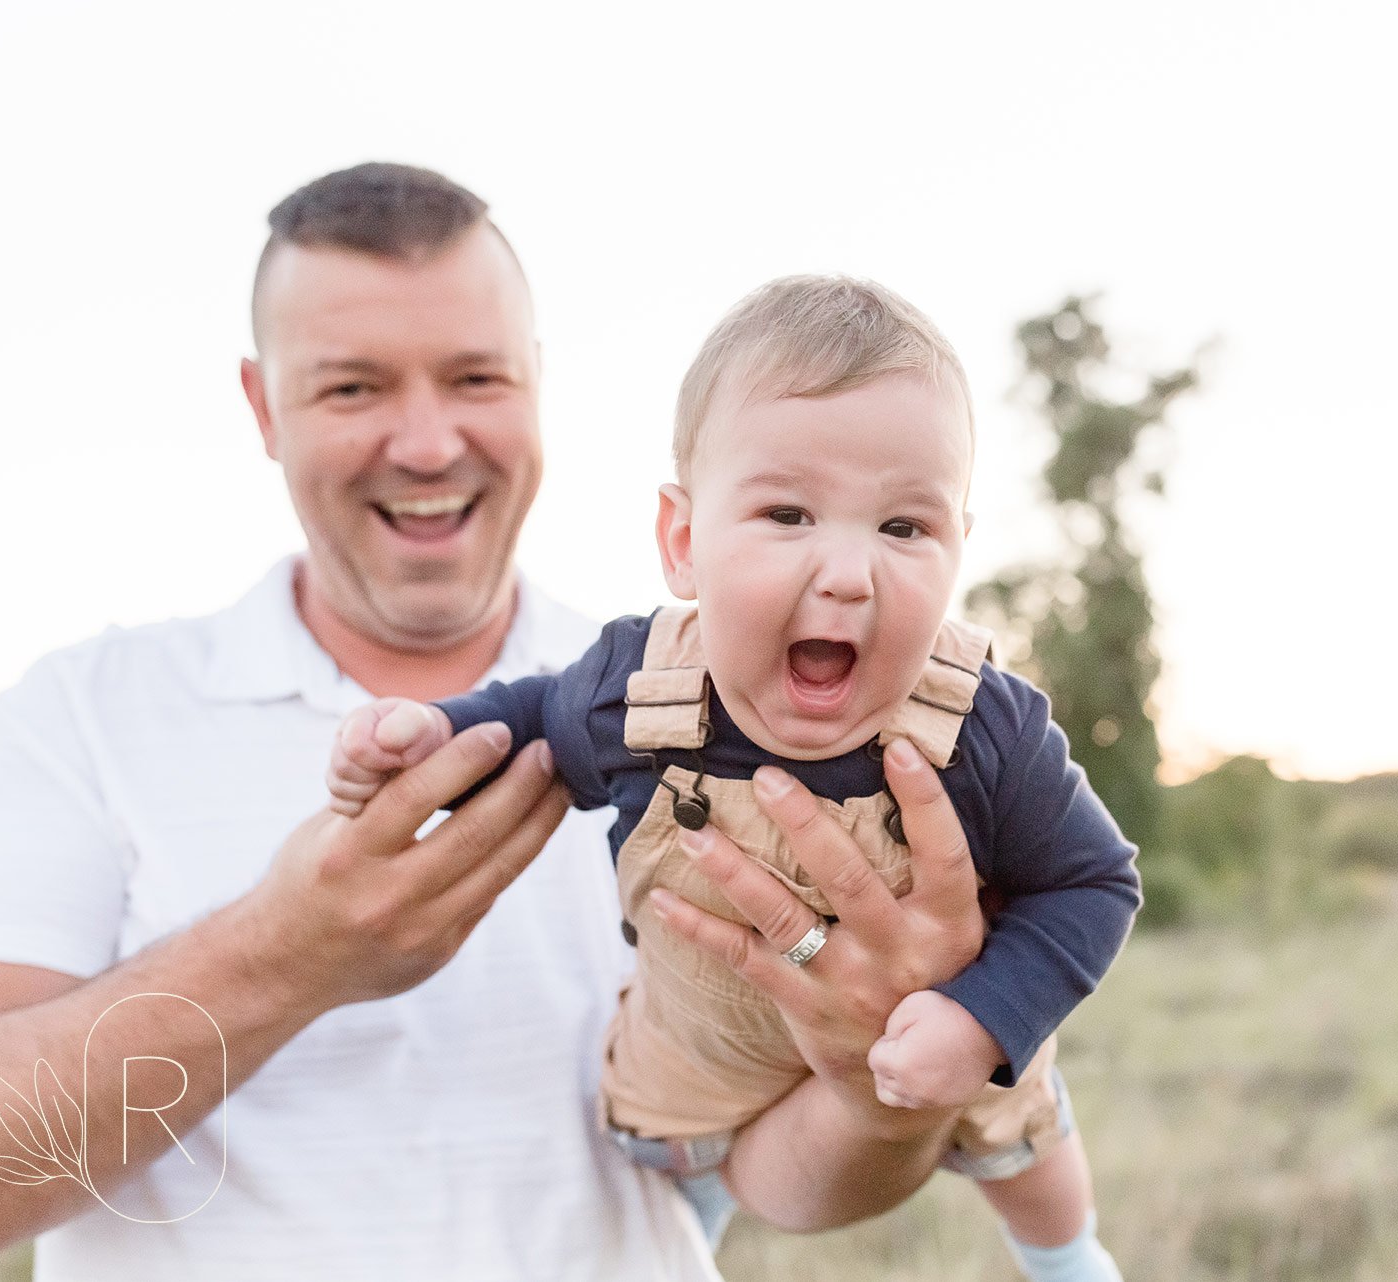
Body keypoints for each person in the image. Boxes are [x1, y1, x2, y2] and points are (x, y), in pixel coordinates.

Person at [0, 164, 988, 1280]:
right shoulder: (82, 717)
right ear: (263, 406)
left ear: (537, 383)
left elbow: (779, 1177)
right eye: (352, 389)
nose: (426, 444)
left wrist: (878, 1091)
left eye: (476, 377)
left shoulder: (736, 701)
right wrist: (284, 957)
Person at [326, 275, 1139, 1281]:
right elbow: (528, 718)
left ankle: (1068, 1260)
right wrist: (430, 731)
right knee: (676, 1154)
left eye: (904, 528)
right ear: (683, 542)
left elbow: (1093, 881)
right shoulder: (636, 689)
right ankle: (690, 1237)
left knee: (1027, 1139)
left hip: (928, 1035)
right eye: (788, 513)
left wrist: (984, 1018)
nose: (848, 571)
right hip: (703, 1045)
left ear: (959, 549)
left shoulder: (980, 727)